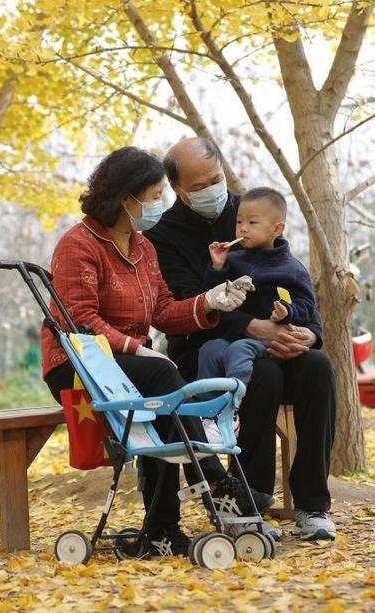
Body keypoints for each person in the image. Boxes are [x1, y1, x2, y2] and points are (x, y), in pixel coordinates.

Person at [41, 145, 274, 557]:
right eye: (153, 197)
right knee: (164, 379)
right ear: (127, 198)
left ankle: (162, 529)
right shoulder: (78, 245)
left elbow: (164, 310)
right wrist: (138, 348)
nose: (158, 205)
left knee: (159, 398)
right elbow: (78, 319)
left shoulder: (143, 247)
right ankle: (216, 484)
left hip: (129, 364)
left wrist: (209, 302)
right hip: (78, 363)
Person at [144, 137, 337, 540]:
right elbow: (179, 309)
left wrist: (307, 334)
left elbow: (288, 278)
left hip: (277, 336)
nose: (212, 191)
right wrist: (252, 328)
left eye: (215, 179)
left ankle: (313, 504)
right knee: (261, 375)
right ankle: (251, 498)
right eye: (198, 187)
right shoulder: (162, 237)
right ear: (178, 189)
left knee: (318, 368)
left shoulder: (248, 208)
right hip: (205, 347)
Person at [197, 187, 316, 399]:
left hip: (270, 341)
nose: (243, 229)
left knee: (239, 350)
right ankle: (206, 412)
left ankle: (232, 405)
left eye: (252, 223)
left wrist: (287, 312)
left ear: (277, 229)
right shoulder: (233, 260)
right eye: (239, 222)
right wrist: (217, 268)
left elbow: (307, 305)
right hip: (236, 334)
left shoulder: (292, 269)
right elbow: (214, 297)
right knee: (210, 349)